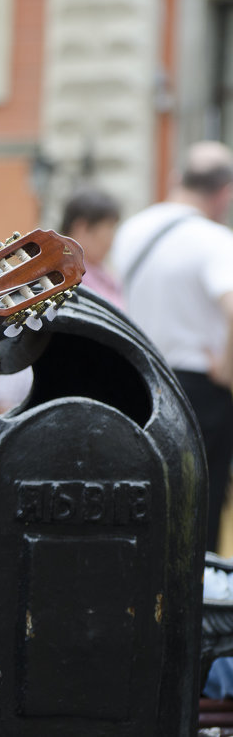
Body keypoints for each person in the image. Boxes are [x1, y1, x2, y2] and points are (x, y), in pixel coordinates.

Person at [110, 141, 233, 552]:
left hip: (137, 380)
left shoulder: (132, 229)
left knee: (145, 499)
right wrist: (229, 370)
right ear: (224, 193)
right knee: (200, 505)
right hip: (200, 388)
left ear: (177, 179)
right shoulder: (215, 239)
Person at [59, 185, 124, 308]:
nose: (111, 239)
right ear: (82, 228)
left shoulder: (102, 274)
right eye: (108, 228)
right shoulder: (64, 276)